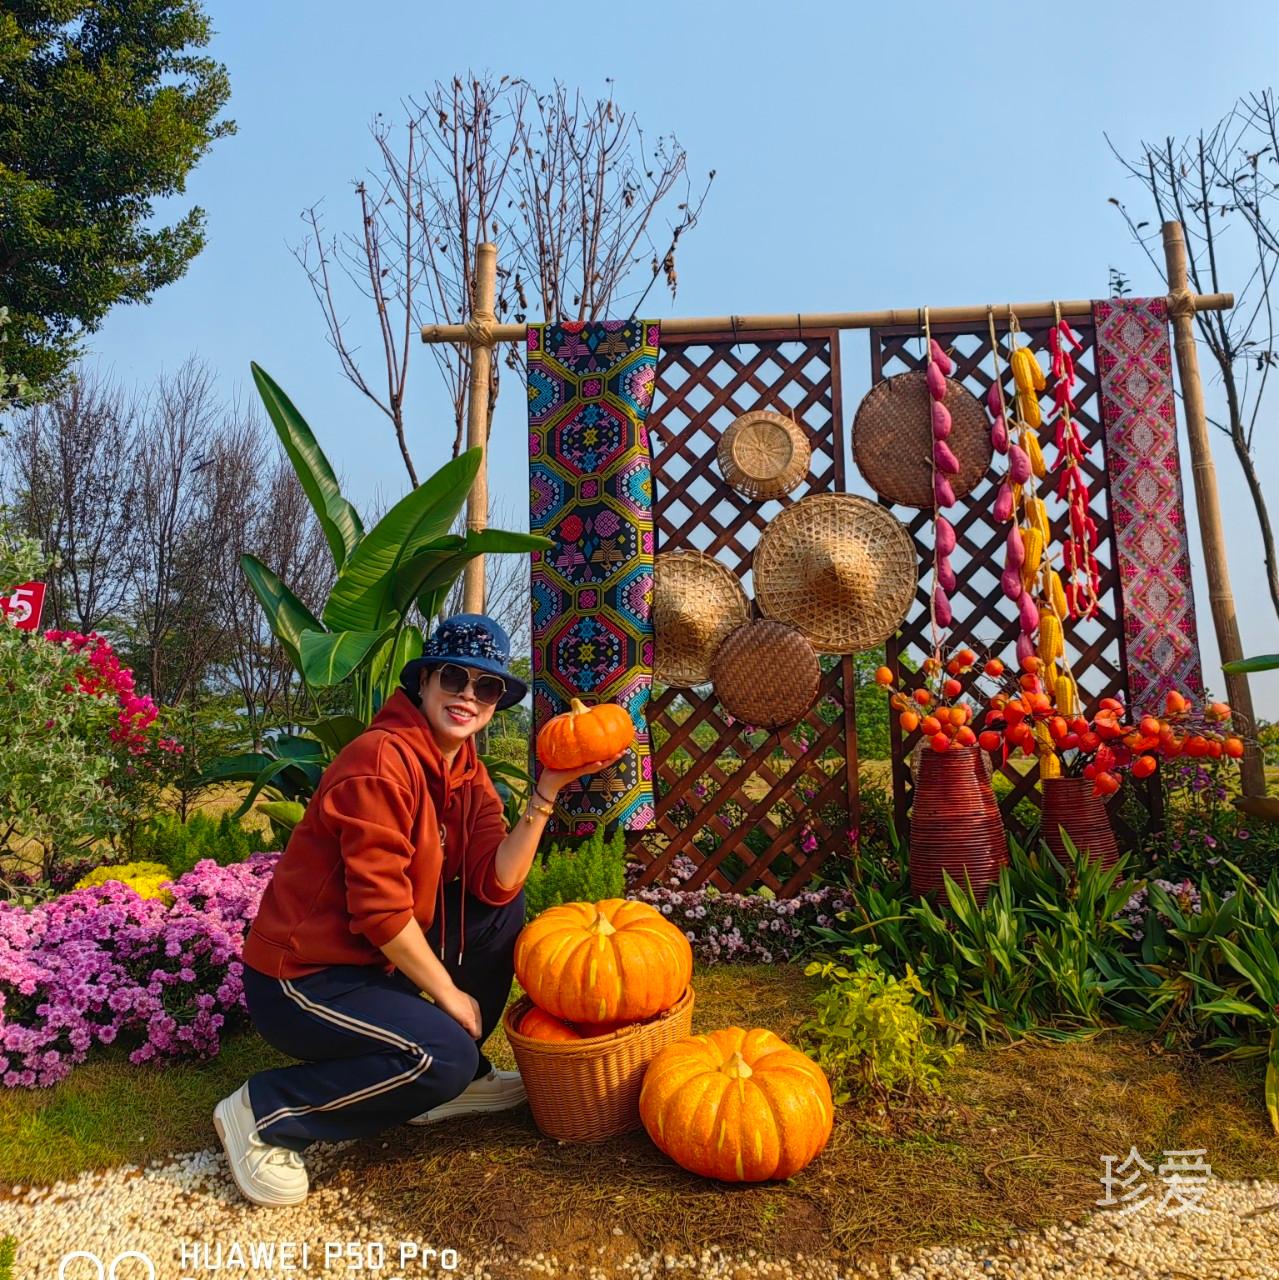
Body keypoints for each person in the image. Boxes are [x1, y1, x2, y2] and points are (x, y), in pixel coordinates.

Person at [213, 614, 623, 1207]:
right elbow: (380, 911)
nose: (468, 696)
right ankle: (266, 1111)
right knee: (442, 1054)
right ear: (425, 681)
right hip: (301, 979)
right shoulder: (379, 761)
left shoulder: (466, 770)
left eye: (486, 687)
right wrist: (448, 995)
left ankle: (456, 1079)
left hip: (371, 964)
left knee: (500, 911)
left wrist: (546, 791)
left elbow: (497, 882)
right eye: (454, 678)